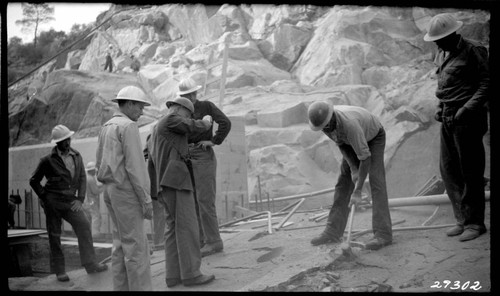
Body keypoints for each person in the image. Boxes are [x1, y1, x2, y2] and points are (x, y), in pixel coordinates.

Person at [424, 13, 489, 242]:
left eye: (440, 38)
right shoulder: (442, 51)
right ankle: (461, 220)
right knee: (449, 170)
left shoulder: (474, 50)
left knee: (470, 171)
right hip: (449, 115)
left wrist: (468, 108)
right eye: (435, 40)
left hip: (468, 116)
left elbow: (486, 83)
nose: (437, 43)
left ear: (453, 34)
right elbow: (444, 83)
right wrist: (441, 107)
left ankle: (475, 223)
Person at [148, 96, 215, 287]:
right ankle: (192, 274)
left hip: (164, 183)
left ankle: (173, 276)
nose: (188, 117)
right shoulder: (170, 119)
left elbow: (150, 160)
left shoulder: (155, 129)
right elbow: (192, 126)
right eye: (188, 113)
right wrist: (206, 122)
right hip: (177, 180)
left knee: (172, 230)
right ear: (179, 109)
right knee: (188, 228)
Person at [307, 101, 393, 250]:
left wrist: (358, 191)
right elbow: (341, 144)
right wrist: (353, 169)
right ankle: (333, 231)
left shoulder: (350, 125)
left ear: (332, 117)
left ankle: (383, 234)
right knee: (343, 182)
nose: (326, 129)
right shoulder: (324, 124)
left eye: (328, 125)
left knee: (376, 180)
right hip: (348, 141)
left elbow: (365, 158)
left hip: (373, 137)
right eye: (323, 127)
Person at [30, 124, 108, 282]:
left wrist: (79, 199)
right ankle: (59, 271)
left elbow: (82, 178)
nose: (67, 143)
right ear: (57, 143)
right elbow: (34, 180)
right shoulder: (47, 160)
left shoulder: (77, 155)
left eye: (68, 139)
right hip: (53, 202)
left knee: (84, 225)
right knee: (54, 235)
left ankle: (90, 263)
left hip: (71, 202)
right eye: (63, 140)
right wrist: (45, 197)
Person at [95, 86, 154, 291]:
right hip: (126, 191)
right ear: (129, 104)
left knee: (119, 245)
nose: (142, 111)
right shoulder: (128, 127)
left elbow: (98, 162)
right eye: (139, 106)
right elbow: (135, 168)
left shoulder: (107, 126)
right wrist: (145, 199)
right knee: (137, 248)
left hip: (110, 190)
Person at [177, 77, 232, 257]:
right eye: (186, 95)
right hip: (188, 157)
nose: (190, 97)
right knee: (193, 201)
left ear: (195, 93)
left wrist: (214, 141)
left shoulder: (206, 106)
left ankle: (214, 241)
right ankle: (202, 240)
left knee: (205, 201)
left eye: (191, 94)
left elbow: (225, 122)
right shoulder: (182, 112)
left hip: (202, 155)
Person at [144, 132, 166, 252]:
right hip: (157, 189)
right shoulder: (155, 152)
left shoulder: (149, 151)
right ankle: (159, 241)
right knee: (160, 216)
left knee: (160, 216)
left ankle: (159, 240)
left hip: (154, 188)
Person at [83, 161, 104, 239]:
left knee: (88, 218)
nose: (96, 171)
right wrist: (104, 187)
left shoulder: (87, 177)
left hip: (86, 201)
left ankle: (88, 235)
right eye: (94, 170)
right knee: (96, 216)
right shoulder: (91, 179)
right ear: (91, 170)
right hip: (91, 201)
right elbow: (95, 191)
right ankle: (95, 235)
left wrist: (101, 185)